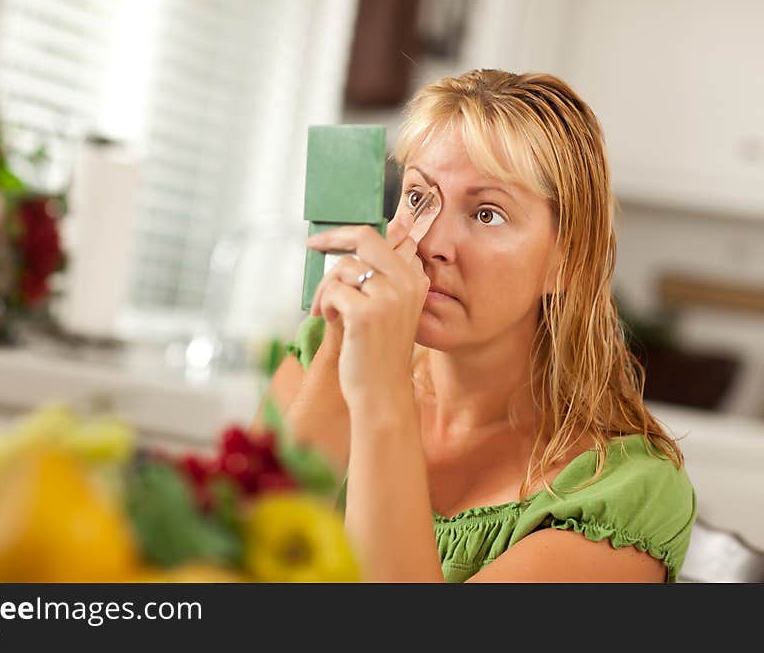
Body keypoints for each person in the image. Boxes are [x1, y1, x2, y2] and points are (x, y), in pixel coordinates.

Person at [258, 69, 696, 583]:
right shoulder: (321, 356)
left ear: (568, 261)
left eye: (487, 214)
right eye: (418, 197)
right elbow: (235, 568)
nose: (431, 243)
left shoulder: (623, 494)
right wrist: (338, 350)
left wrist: (381, 392)